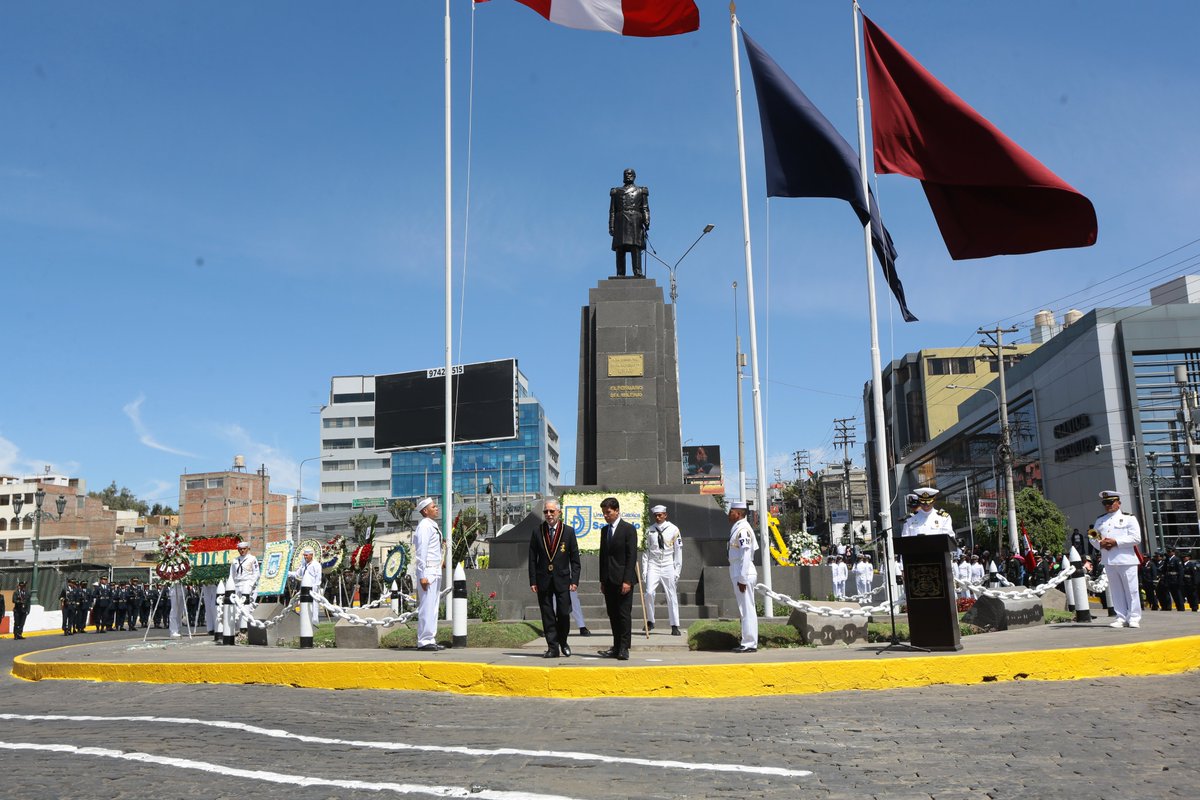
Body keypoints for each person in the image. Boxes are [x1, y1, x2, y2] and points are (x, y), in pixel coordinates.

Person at [528, 499, 581, 658]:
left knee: (564, 613)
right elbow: (532, 558)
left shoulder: (568, 531)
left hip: (563, 579)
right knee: (547, 613)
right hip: (543, 579)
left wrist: (574, 580)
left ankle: (563, 641)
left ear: (559, 512)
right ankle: (553, 647)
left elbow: (575, 559)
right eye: (546, 512)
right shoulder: (538, 531)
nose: (549, 515)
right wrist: (533, 580)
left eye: (552, 511)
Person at [1092, 490, 1143, 628]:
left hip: (1126, 559)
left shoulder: (1129, 518)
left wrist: (1116, 542)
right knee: (1116, 590)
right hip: (1108, 559)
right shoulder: (1100, 520)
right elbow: (1093, 535)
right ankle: (1120, 617)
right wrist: (1100, 543)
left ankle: (1133, 617)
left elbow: (1136, 538)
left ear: (1118, 503)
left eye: (1110, 502)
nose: (1107, 505)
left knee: (1131, 590)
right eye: (1105, 503)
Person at [597, 496, 637, 660]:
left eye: (608, 512)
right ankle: (616, 645)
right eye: (604, 513)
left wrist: (627, 580)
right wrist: (602, 579)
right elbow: (602, 556)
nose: (606, 516)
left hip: (623, 580)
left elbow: (631, 556)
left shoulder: (628, 529)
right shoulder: (605, 530)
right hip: (609, 580)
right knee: (612, 614)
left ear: (617, 511)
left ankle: (624, 647)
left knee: (623, 614)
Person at [642, 504, 684, 635]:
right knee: (649, 593)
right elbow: (645, 552)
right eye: (655, 515)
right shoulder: (649, 530)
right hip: (653, 564)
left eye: (660, 515)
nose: (658, 517)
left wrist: (677, 570)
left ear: (665, 515)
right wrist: (644, 569)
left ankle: (674, 625)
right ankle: (650, 620)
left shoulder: (673, 529)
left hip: (667, 564)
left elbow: (678, 551)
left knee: (671, 595)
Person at [412, 497, 445, 652]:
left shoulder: (432, 525)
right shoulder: (424, 526)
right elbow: (421, 552)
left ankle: (430, 638)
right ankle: (424, 640)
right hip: (428, 572)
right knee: (426, 606)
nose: (436, 508)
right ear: (425, 511)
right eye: (433, 506)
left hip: (435, 571)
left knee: (433, 607)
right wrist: (422, 575)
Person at [727, 501, 758, 653]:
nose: (729, 514)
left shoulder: (743, 529)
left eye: (731, 511)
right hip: (737, 570)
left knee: (747, 608)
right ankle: (747, 641)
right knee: (744, 609)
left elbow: (746, 554)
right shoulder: (738, 528)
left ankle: (750, 643)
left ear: (738, 514)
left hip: (743, 571)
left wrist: (742, 578)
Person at [609, 167, 650, 278]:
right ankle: (620, 273)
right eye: (626, 174)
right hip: (620, 222)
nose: (628, 175)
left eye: (630, 173)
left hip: (635, 221)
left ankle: (637, 271)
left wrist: (647, 220)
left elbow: (645, 208)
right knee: (620, 248)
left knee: (635, 247)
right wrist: (611, 226)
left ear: (634, 176)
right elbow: (612, 210)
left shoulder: (641, 191)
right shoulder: (616, 192)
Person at [228, 540, 260, 631]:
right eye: (240, 549)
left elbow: (256, 573)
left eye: (244, 549)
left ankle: (247, 627)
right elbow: (232, 575)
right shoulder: (235, 560)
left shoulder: (252, 559)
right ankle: (239, 629)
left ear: (248, 549)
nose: (242, 551)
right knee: (237, 607)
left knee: (247, 607)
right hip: (238, 584)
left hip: (248, 583)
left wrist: (251, 584)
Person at [288, 546, 323, 626]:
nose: (305, 557)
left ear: (311, 555)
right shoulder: (303, 566)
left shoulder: (316, 565)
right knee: (303, 604)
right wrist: (288, 573)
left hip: (313, 588)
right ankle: (305, 620)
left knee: (314, 605)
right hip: (304, 588)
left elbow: (318, 578)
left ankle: (314, 621)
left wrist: (315, 587)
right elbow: (297, 574)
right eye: (304, 555)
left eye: (306, 555)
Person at [1161, 547, 1184, 611]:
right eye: (1168, 552)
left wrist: (1180, 581)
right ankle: (1176, 607)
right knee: (1173, 595)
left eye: (1169, 552)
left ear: (1173, 552)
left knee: (1178, 595)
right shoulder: (1168, 560)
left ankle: (1181, 608)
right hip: (1169, 580)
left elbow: (1181, 571)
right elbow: (1165, 570)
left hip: (1175, 580)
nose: (1168, 553)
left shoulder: (1177, 559)